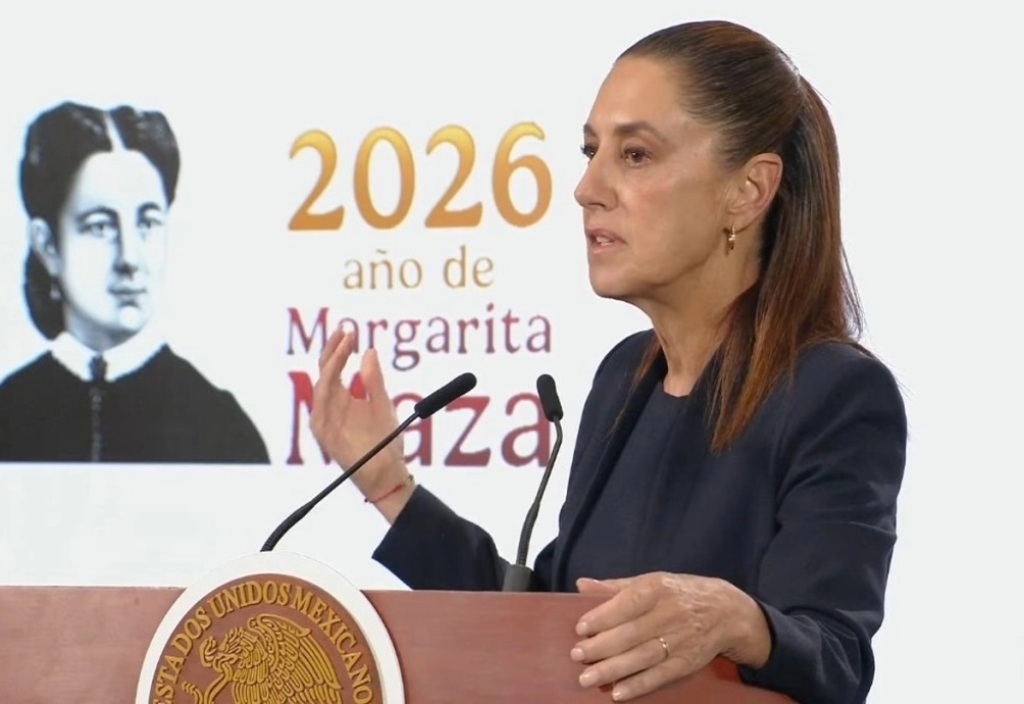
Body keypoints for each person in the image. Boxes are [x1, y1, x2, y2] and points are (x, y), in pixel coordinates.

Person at [308, 19, 906, 704]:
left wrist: (740, 622)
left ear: (748, 190)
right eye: (591, 151)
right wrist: (390, 487)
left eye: (636, 155)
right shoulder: (625, 378)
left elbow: (835, 661)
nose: (586, 188)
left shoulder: (835, 394)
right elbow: (551, 626)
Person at [0, 102, 270, 464]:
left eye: (147, 223)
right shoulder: (10, 413)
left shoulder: (219, 427)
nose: (130, 258)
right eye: (101, 226)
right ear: (47, 244)